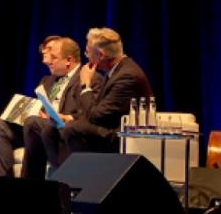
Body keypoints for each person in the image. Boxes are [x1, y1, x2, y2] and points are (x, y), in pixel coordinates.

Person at [0, 36, 90, 178]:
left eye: (53, 57)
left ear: (69, 60)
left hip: (60, 131)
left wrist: (62, 117)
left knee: (33, 122)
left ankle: (30, 182)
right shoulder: (47, 80)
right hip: (35, 129)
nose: (46, 61)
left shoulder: (86, 78)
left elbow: (89, 113)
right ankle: (1, 185)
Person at [60, 28, 152, 157]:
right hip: (108, 126)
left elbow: (97, 117)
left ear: (101, 55)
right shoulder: (115, 71)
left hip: (122, 135)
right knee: (53, 129)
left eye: (88, 52)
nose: (87, 57)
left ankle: (85, 170)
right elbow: (99, 110)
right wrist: (71, 118)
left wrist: (85, 85)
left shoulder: (126, 76)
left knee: (73, 129)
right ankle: (63, 169)